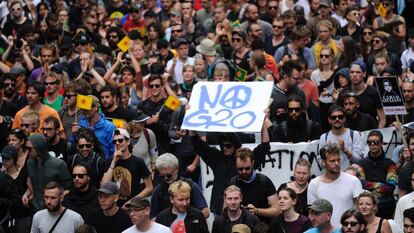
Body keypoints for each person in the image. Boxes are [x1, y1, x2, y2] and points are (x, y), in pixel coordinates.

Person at [308, 144, 364, 228]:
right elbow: (312, 215)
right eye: (332, 161)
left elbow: (361, 211)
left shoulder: (353, 181)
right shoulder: (314, 184)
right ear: (323, 162)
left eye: (338, 160)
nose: (337, 163)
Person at [101, 128, 153, 207]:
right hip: (114, 206)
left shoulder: (138, 162)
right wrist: (113, 162)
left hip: (132, 207)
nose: (117, 143)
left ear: (128, 141)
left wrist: (131, 202)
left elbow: (149, 187)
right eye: (115, 141)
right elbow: (104, 185)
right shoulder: (110, 161)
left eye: (120, 140)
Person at [150, 153, 209, 218]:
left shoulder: (191, 185)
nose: (165, 178)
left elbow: (205, 211)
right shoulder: (158, 191)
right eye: (162, 176)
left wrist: (190, 222)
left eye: (168, 175)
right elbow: (153, 218)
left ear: (177, 169)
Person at [23, 134, 72, 211]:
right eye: (26, 148)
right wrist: (26, 195)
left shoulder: (58, 164)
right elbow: (33, 184)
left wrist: (57, 200)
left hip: (54, 207)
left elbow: (68, 188)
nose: (27, 151)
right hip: (35, 207)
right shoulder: (30, 163)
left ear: (39, 147)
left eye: (30, 149)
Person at [230, 147, 280, 223]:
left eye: (247, 168)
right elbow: (225, 209)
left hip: (261, 228)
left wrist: (256, 211)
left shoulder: (264, 181)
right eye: (240, 169)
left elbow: (277, 210)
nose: (244, 171)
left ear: (253, 163)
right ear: (236, 165)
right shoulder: (233, 182)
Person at [357, 130, 397, 219]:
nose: (372, 144)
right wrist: (380, 185)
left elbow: (390, 186)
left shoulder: (390, 164)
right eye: (369, 142)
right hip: (367, 209)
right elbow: (361, 184)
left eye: (375, 142)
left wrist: (370, 186)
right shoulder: (361, 163)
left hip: (387, 208)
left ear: (382, 143)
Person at [318, 106, 364, 170]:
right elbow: (321, 164)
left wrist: (345, 150)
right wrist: (327, 153)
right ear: (329, 120)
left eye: (340, 117)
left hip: (351, 175)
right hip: (333, 176)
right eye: (333, 117)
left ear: (344, 118)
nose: (337, 119)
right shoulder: (324, 137)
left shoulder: (354, 134)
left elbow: (360, 161)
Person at [72, 95, 115, 159]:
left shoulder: (109, 127)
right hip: (83, 161)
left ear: (95, 107)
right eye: (83, 108)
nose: (84, 111)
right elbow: (73, 145)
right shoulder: (81, 123)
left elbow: (113, 149)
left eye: (87, 108)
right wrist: (73, 134)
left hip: (101, 162)